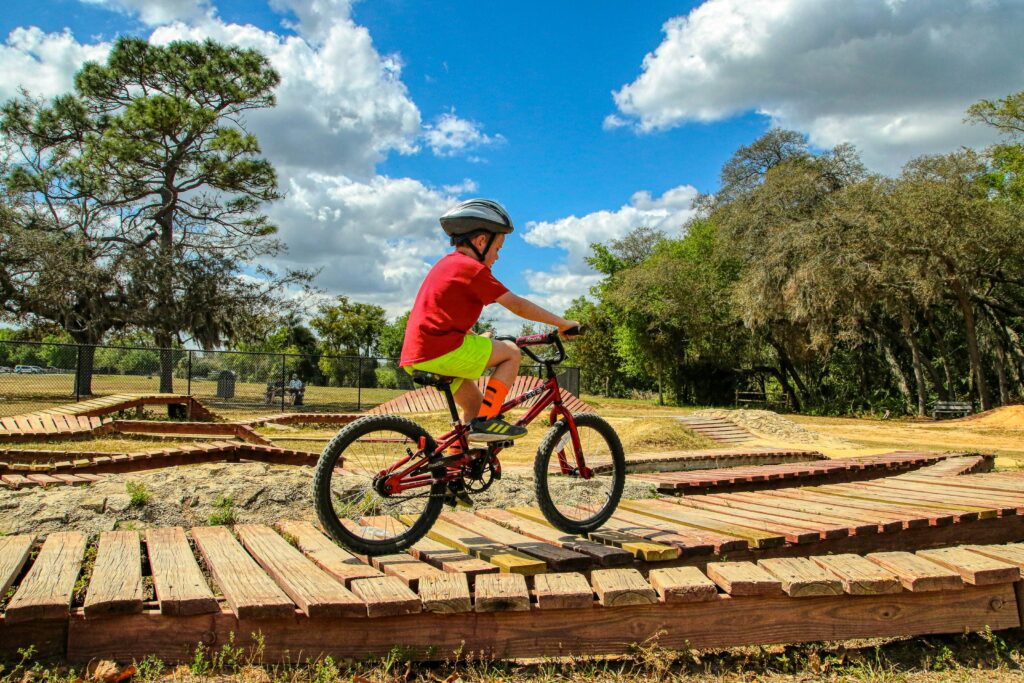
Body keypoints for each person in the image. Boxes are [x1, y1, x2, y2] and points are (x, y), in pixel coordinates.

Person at [400, 198, 579, 443]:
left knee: (473, 406)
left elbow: (443, 319)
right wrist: (562, 323)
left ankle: (450, 471)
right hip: (440, 351)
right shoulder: (471, 269)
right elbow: (516, 304)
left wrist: (475, 338)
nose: (497, 257)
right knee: (512, 352)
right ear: (481, 241)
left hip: (418, 354)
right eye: (498, 248)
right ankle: (488, 422)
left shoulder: (446, 265)